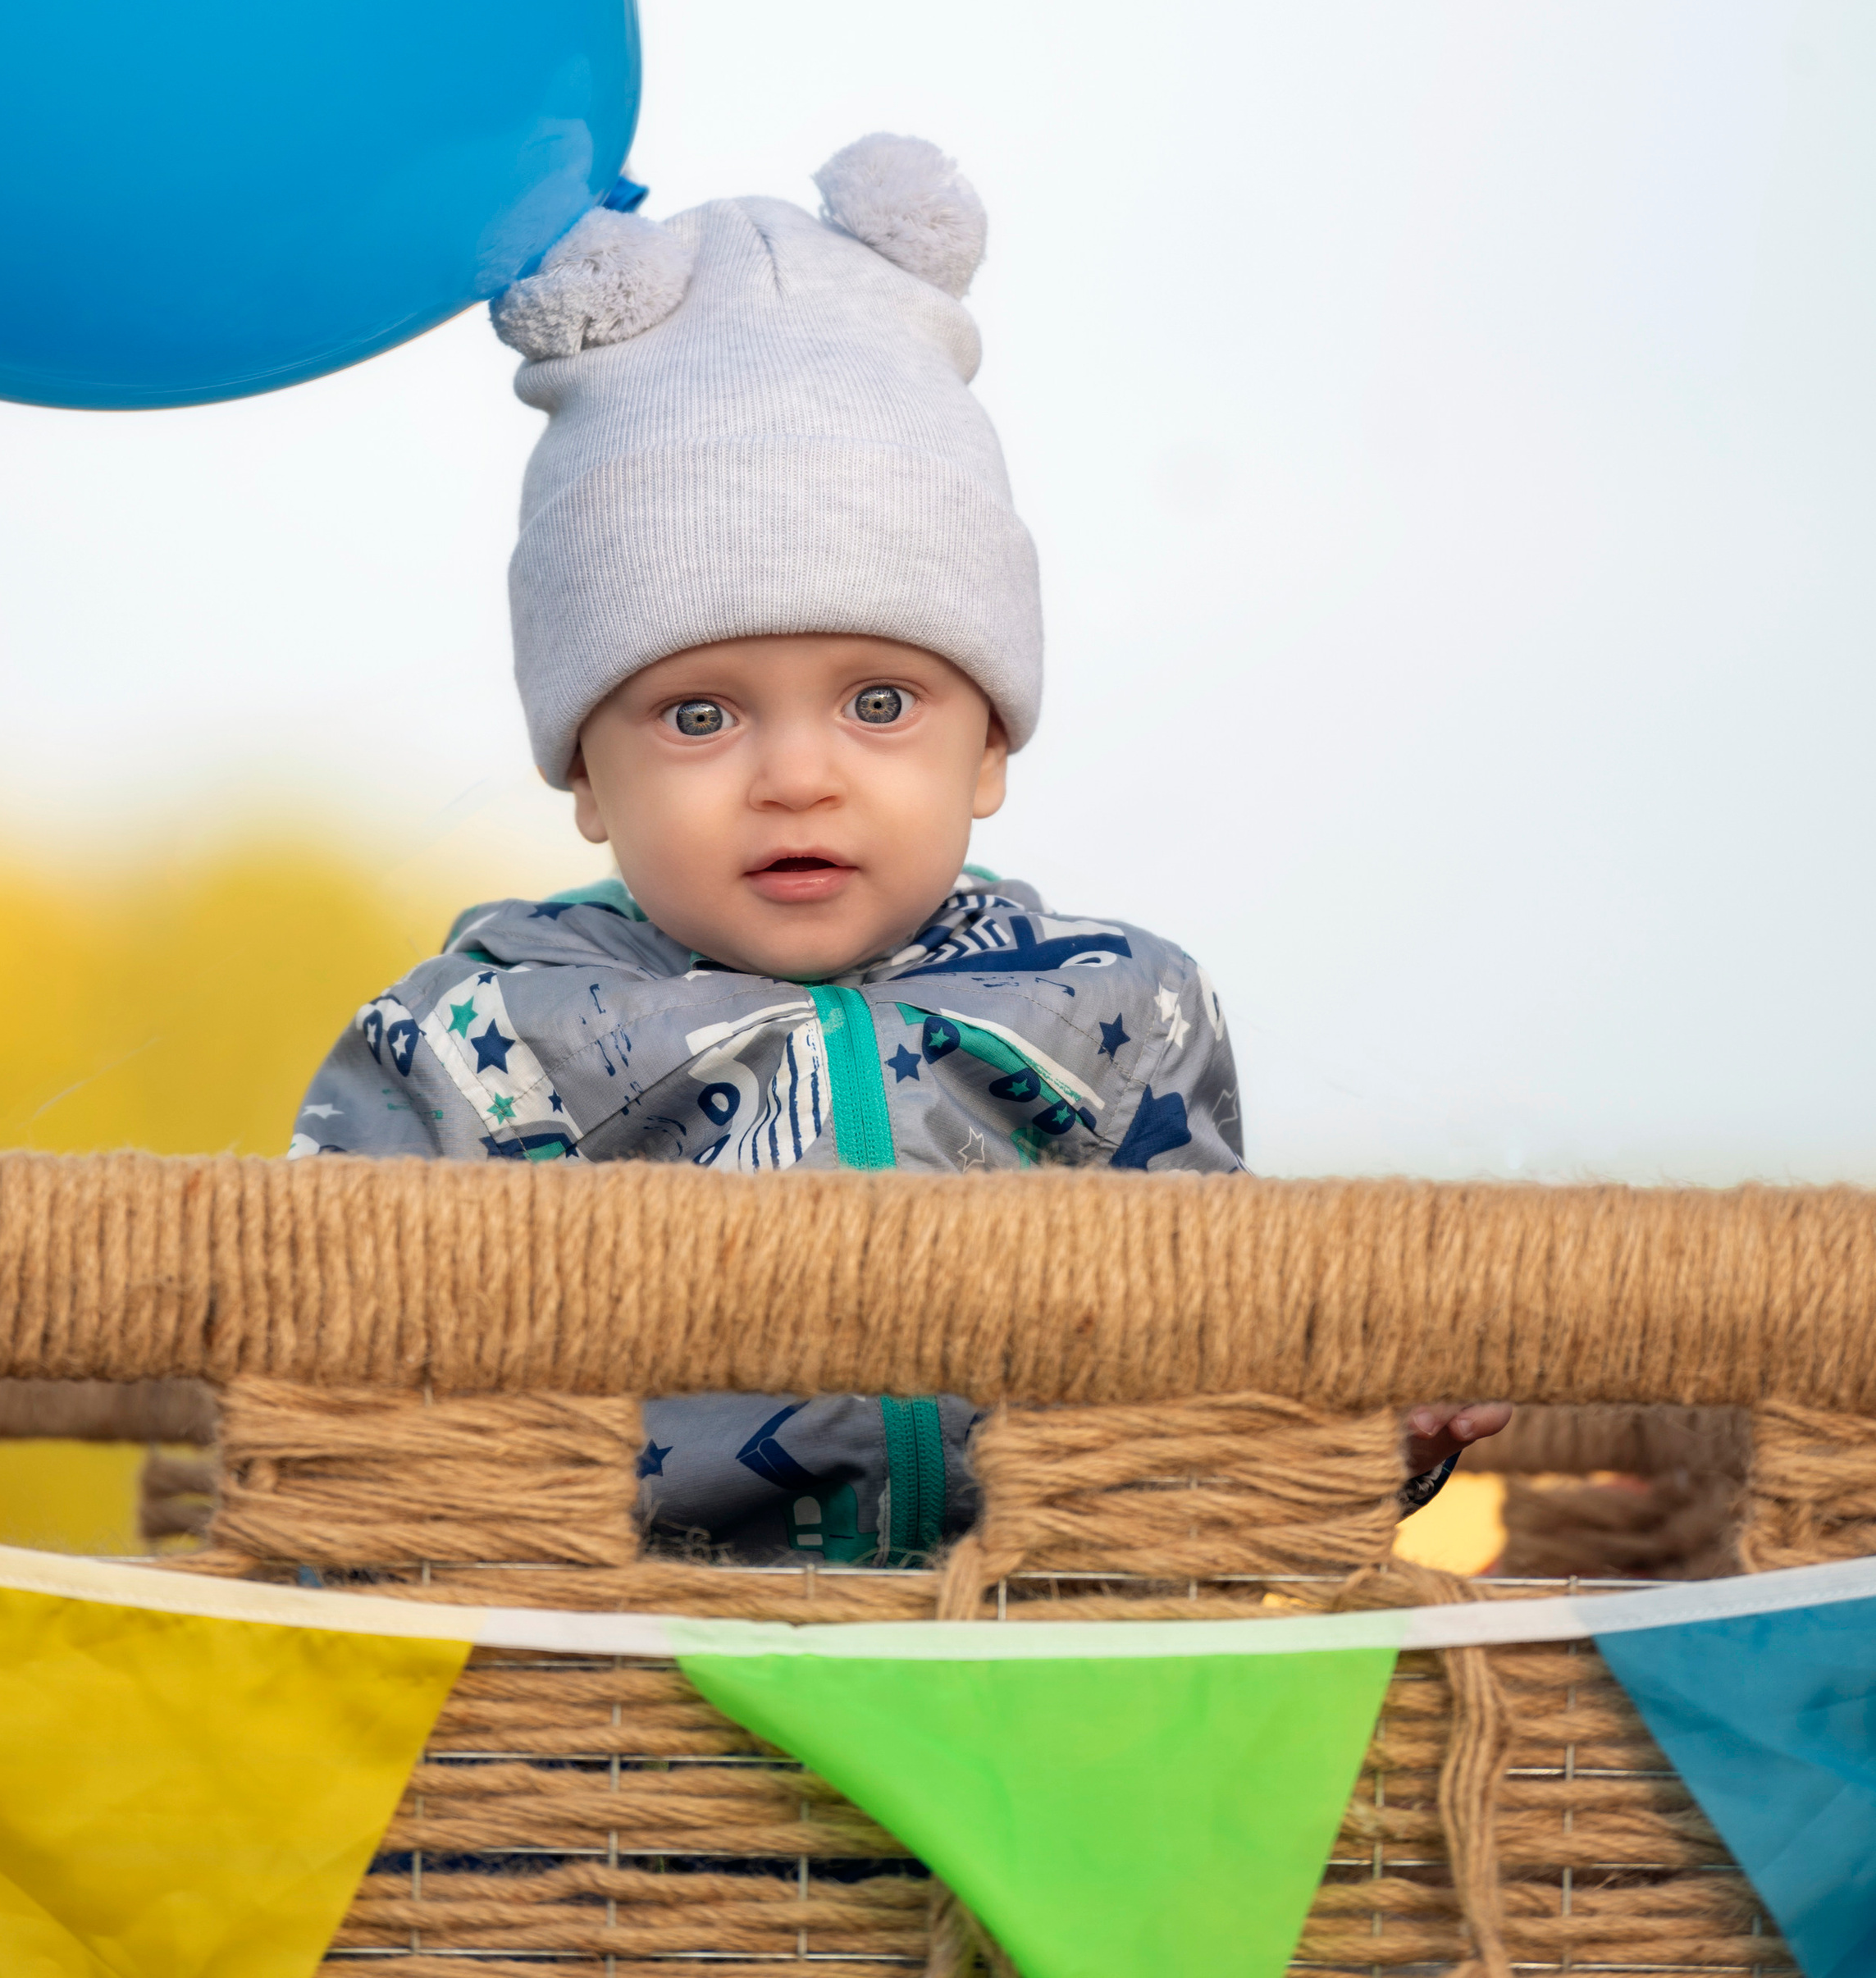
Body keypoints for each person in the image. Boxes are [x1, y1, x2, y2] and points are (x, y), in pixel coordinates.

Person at [292, 134, 1505, 1561]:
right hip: (609, 1694)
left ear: (989, 747)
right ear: (587, 779)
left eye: (882, 703)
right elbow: (336, 1395)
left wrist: (1355, 1430)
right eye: (697, 713)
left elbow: (1200, 1412)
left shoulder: (1113, 1010)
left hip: (1018, 1693)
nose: (797, 776)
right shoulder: (478, 1038)